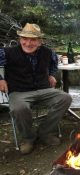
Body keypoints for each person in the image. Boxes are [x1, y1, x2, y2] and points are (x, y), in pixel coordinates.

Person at [0, 23, 72, 154]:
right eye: (24, 39)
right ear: (20, 39)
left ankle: (45, 132)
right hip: (19, 91)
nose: (28, 43)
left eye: (33, 39)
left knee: (65, 98)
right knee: (19, 108)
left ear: (39, 42)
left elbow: (54, 63)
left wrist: (51, 74)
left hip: (43, 89)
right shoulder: (7, 52)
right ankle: (28, 138)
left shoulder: (48, 52)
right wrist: (1, 79)